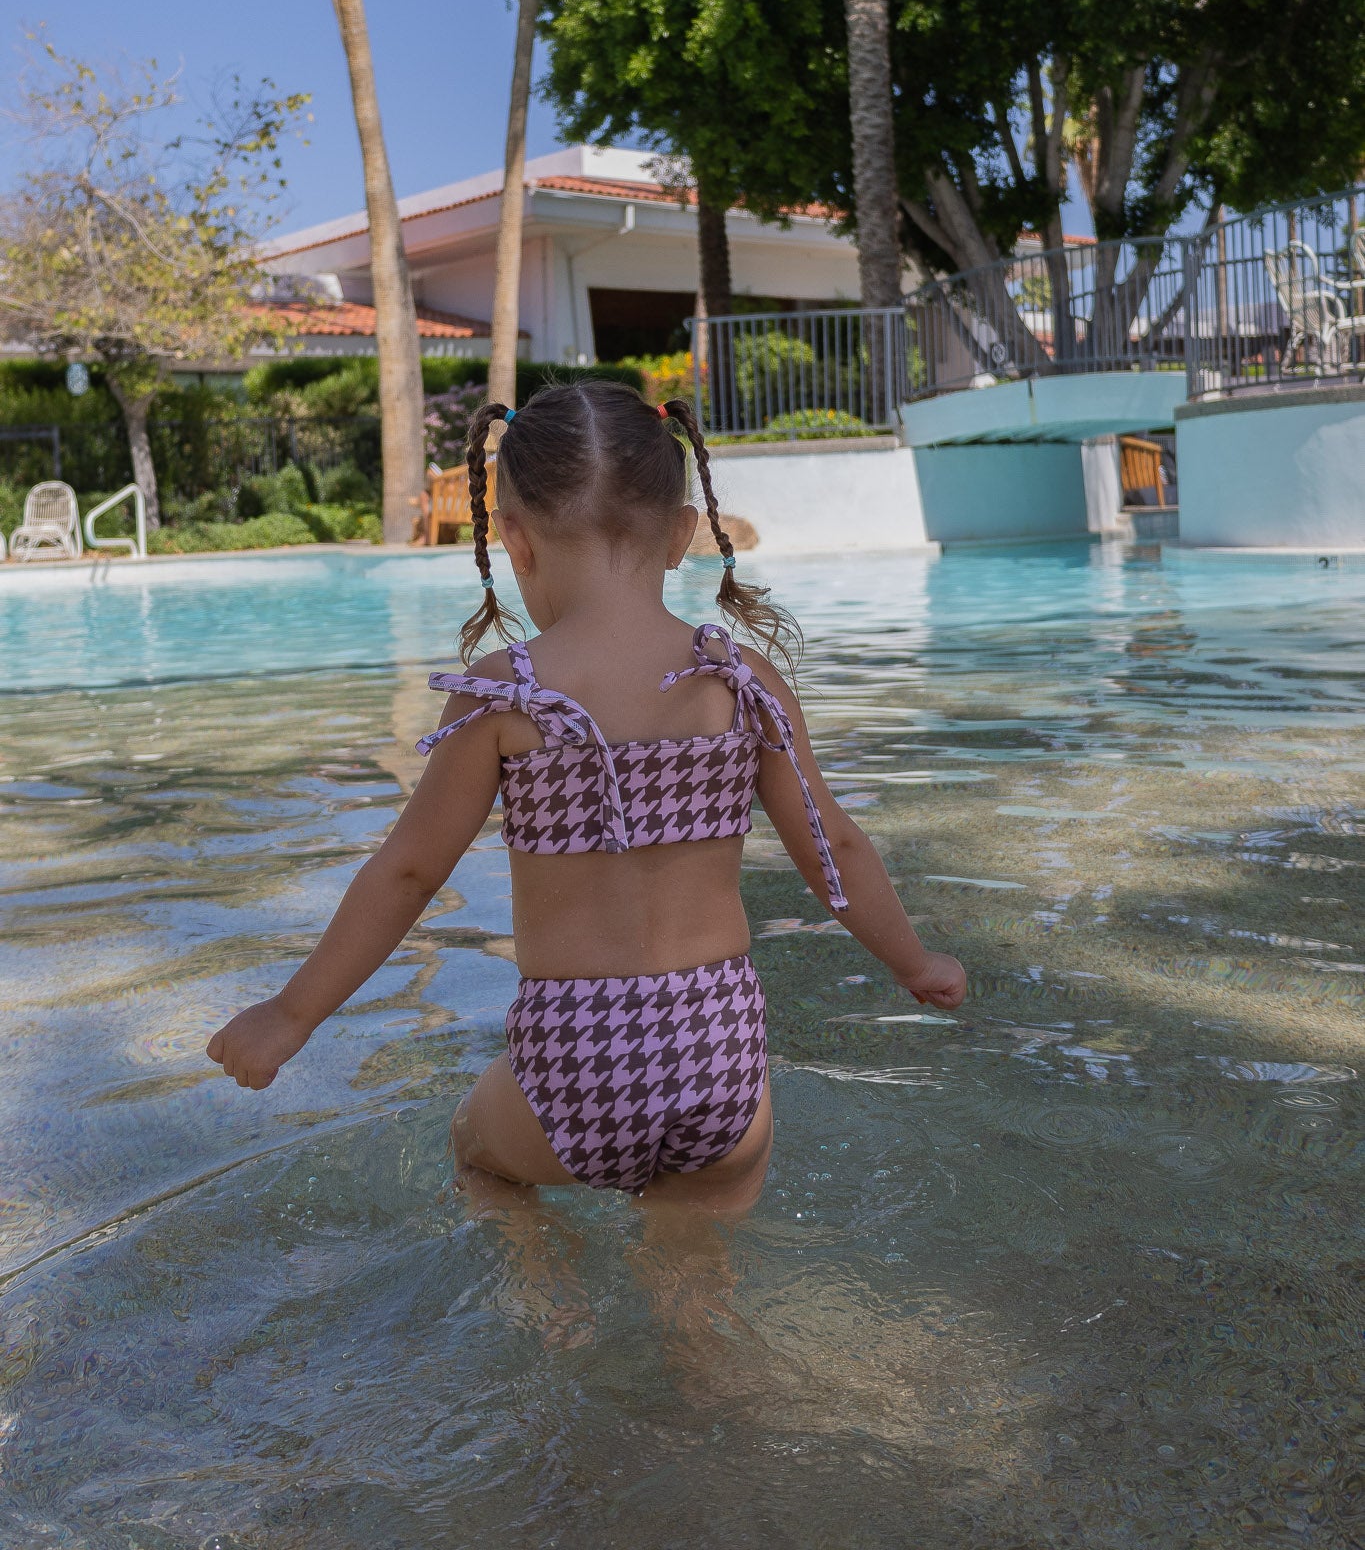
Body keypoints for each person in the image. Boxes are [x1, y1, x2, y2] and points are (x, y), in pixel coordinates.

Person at [207, 382, 966, 1216]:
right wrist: (914, 963)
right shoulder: (739, 682)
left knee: (481, 1157)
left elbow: (408, 874)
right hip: (718, 1048)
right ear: (680, 536)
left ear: (514, 541)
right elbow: (836, 851)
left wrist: (291, 1013)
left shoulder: (508, 694)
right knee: (693, 1283)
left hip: (575, 1058)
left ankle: (549, 1310)